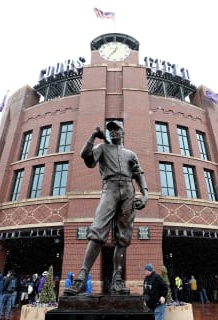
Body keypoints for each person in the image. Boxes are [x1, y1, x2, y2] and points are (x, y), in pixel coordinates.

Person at [64, 121, 148, 296]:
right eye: (111, 130)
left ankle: (117, 279)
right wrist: (93, 136)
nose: (114, 132)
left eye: (117, 129)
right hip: (109, 189)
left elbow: (139, 174)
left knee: (123, 237)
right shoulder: (102, 148)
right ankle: (81, 278)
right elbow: (85, 156)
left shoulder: (130, 154)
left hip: (128, 191)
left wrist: (145, 193)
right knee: (97, 231)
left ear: (123, 132)